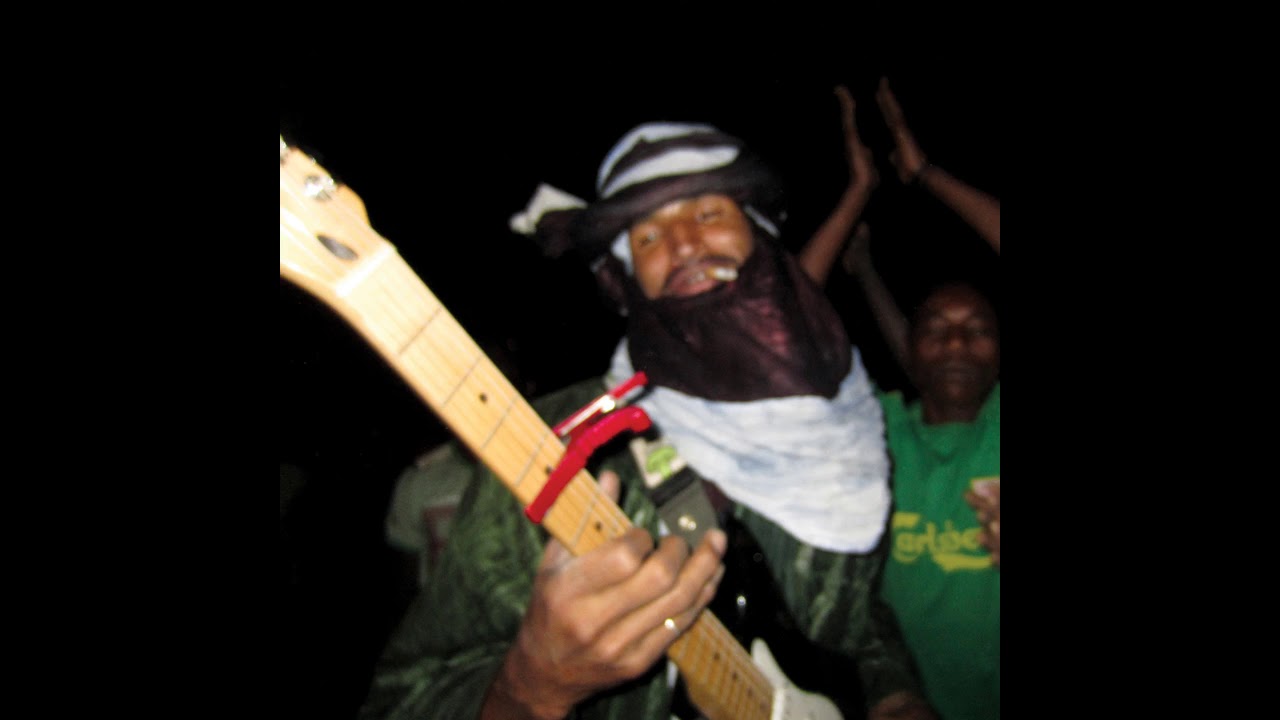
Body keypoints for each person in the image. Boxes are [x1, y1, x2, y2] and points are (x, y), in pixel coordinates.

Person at [358, 113, 937, 719]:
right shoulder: (556, 441)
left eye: (708, 213)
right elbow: (404, 696)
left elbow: (848, 618)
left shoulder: (838, 418)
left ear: (761, 236)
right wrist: (529, 686)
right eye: (648, 237)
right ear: (628, 278)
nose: (683, 244)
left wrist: (893, 694)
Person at [812, 77, 1001, 720]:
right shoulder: (877, 427)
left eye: (978, 329)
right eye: (936, 330)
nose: (956, 343)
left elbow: (933, 353)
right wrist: (856, 195)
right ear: (910, 351)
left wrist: (926, 174)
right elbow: (770, 334)